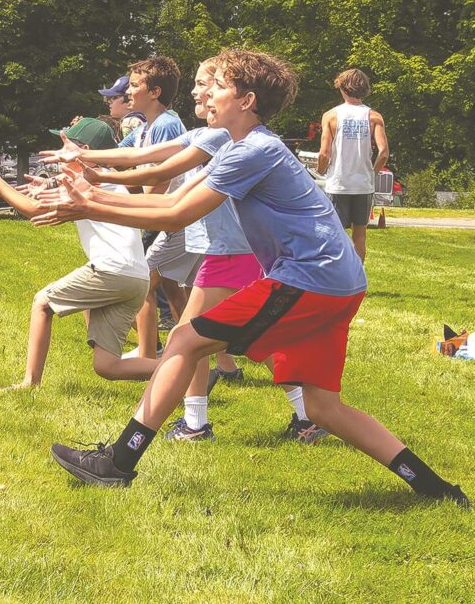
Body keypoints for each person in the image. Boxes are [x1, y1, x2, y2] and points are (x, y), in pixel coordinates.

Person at [41, 49, 467, 506]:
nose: (207, 96)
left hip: (310, 279)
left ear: (245, 100)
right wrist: (91, 193)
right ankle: (435, 489)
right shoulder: (241, 146)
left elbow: (173, 213)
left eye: (218, 86)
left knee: (184, 342)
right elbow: (167, 204)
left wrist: (89, 203)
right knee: (323, 406)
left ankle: (117, 463)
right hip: (337, 282)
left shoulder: (254, 150)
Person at [43, 59, 323, 443]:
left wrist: (94, 186)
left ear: (240, 98)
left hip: (230, 250)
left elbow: (160, 181)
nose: (199, 93)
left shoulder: (227, 138)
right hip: (218, 247)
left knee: (188, 334)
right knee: (237, 336)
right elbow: (144, 163)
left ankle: (193, 425)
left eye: (207, 84)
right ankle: (297, 416)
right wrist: (88, 164)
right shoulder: (212, 133)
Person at [0, 117, 158, 389]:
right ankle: (186, 370)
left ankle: (30, 383)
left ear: (86, 152)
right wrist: (45, 186)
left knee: (42, 303)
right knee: (107, 366)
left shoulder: (85, 187)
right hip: (137, 279)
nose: (59, 154)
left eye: (66, 148)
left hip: (112, 270)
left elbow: (34, 211)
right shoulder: (108, 183)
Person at [121, 56, 191, 360]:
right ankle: (199, 351)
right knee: (173, 287)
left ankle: (149, 354)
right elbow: (118, 157)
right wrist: (82, 155)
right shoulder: (146, 128)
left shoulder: (166, 125)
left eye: (135, 85)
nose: (128, 91)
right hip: (164, 216)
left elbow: (157, 186)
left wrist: (122, 195)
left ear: (155, 92)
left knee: (141, 283)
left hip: (171, 216)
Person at [318, 68, 388, 262]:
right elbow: (383, 152)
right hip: (363, 185)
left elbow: (324, 152)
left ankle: (338, 280)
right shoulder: (374, 116)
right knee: (360, 236)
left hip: (338, 183)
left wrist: (321, 170)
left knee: (336, 235)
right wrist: (372, 171)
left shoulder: (331, 116)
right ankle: (358, 280)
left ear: (342, 87)